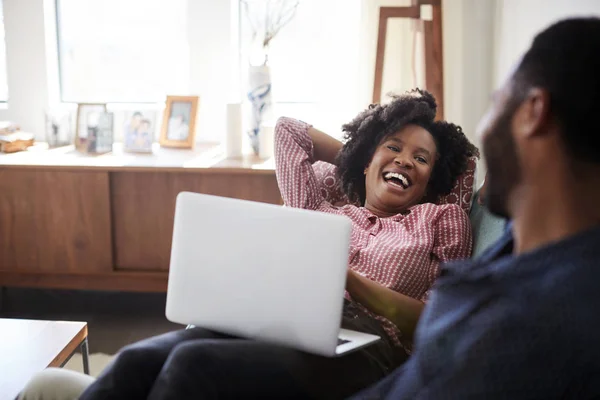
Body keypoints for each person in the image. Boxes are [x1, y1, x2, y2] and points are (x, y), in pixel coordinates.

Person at [18, 90, 478, 400]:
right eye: (394, 148)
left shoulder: (440, 218)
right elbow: (287, 131)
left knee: (193, 365)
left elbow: (444, 319)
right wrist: (364, 155)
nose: (404, 161)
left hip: (369, 348)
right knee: (137, 359)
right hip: (278, 321)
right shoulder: (319, 206)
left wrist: (351, 281)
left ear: (432, 180)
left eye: (421, 159)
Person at [350, 17, 600, 399]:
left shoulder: (532, 324)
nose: (486, 128)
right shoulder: (529, 248)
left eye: (496, 103)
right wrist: (367, 159)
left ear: (533, 112)